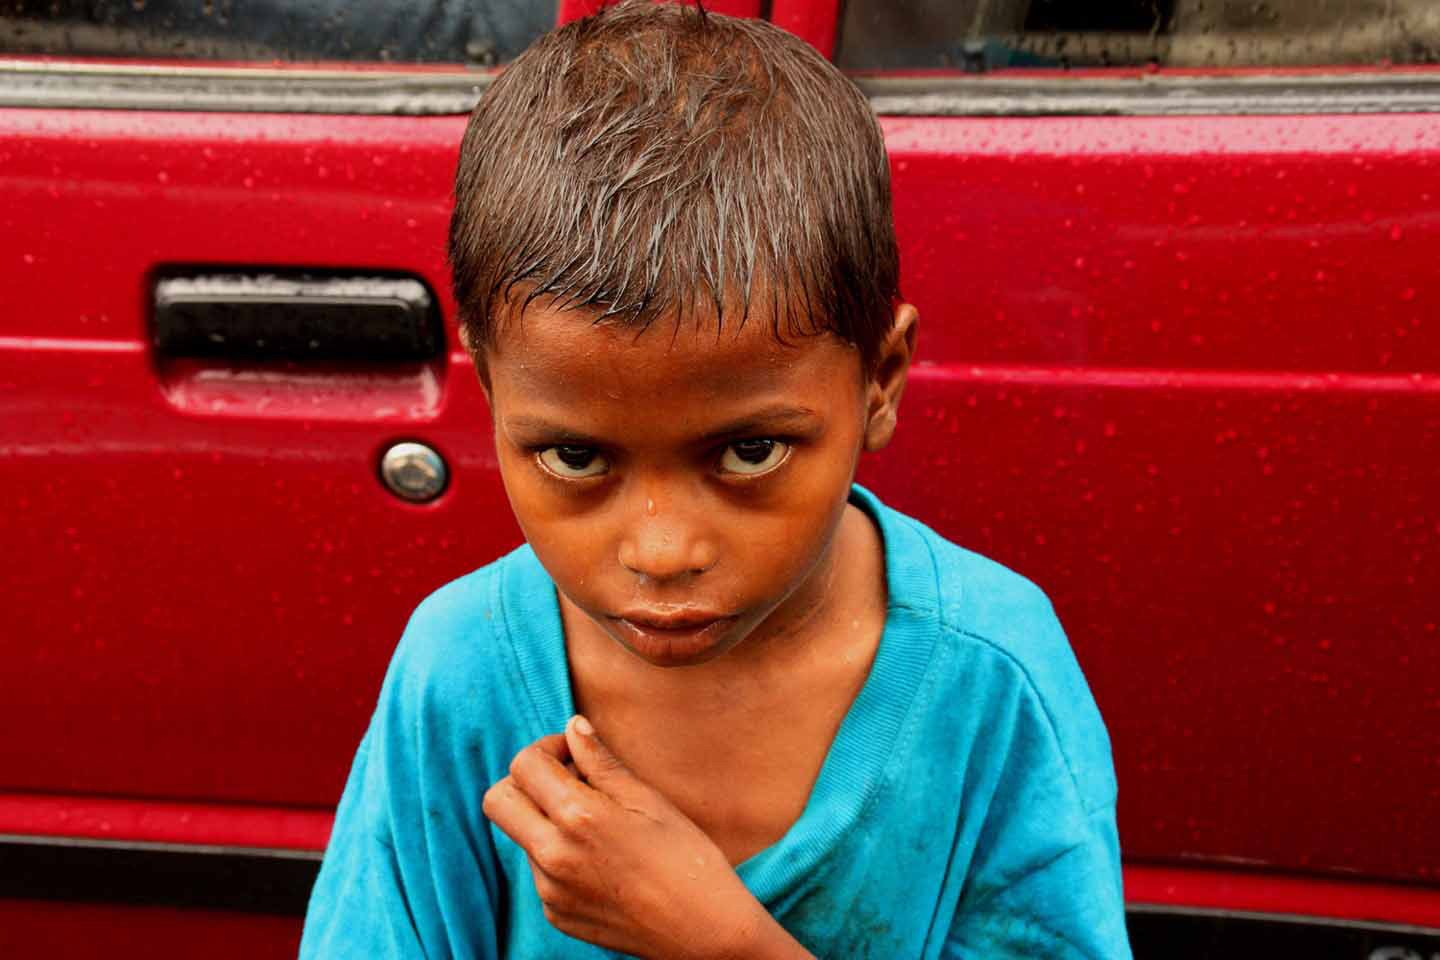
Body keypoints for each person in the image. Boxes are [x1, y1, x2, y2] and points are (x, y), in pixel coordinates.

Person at [299, 2, 1131, 957]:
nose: (663, 552)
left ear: (881, 380)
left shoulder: (991, 676)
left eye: (749, 452)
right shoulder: (463, 671)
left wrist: (719, 941)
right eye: (577, 458)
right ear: (490, 390)